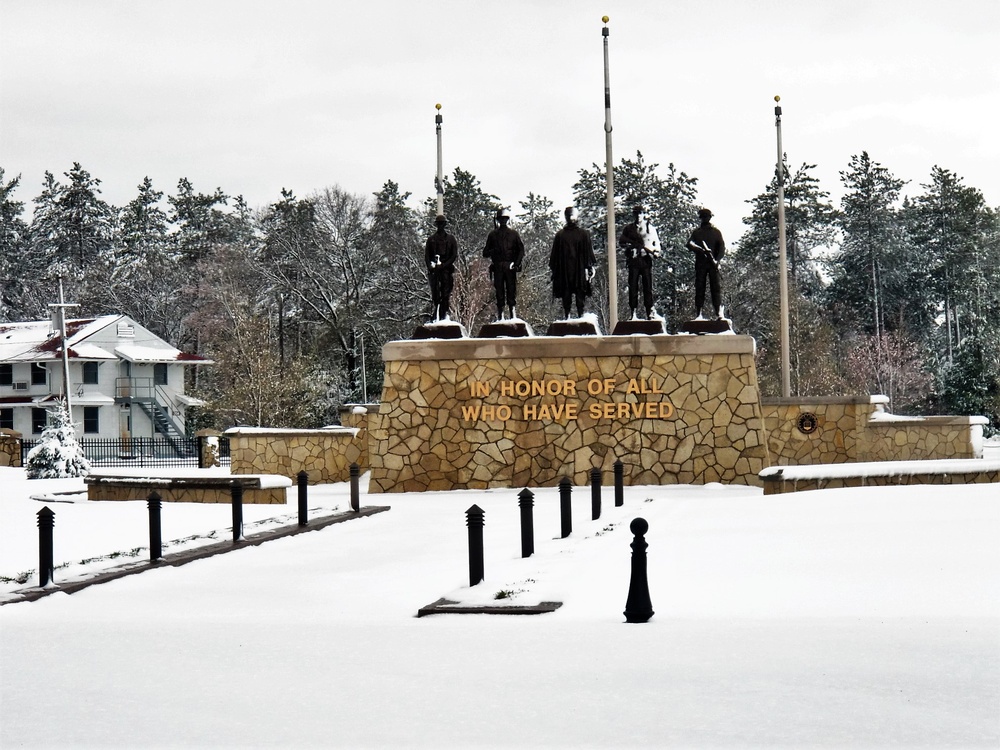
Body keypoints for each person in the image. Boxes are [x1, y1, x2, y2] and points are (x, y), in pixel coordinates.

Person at [549, 206, 596, 318]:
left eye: (572, 215)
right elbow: (555, 256)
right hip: (566, 269)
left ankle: (579, 315)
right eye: (569, 216)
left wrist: (589, 267)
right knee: (567, 293)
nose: (571, 218)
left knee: (579, 294)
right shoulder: (560, 235)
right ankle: (568, 315)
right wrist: (555, 271)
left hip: (578, 269)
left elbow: (588, 252)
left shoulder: (583, 234)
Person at [483, 207, 525, 320]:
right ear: (498, 220)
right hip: (498, 266)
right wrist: (493, 250)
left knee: (511, 290)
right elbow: (485, 252)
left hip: (510, 266)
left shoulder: (513, 234)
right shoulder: (492, 235)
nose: (503, 221)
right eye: (501, 219)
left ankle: (513, 313)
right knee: (499, 291)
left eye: (505, 219)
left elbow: (521, 250)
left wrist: (516, 264)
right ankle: (500, 315)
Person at [618, 205, 660, 319]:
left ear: (644, 214)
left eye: (640, 213)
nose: (638, 216)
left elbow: (656, 244)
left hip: (646, 260)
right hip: (634, 261)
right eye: (636, 213)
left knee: (647, 288)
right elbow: (622, 242)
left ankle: (649, 312)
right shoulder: (628, 229)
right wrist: (630, 247)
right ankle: (633, 313)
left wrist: (656, 252)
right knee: (633, 287)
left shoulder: (650, 229)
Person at [686, 207, 725, 319]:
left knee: (715, 289)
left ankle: (718, 312)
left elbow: (721, 248)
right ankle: (699, 313)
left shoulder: (716, 233)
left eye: (706, 217)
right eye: (703, 217)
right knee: (700, 288)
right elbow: (689, 244)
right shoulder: (697, 233)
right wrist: (700, 250)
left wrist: (716, 260)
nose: (705, 219)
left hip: (712, 264)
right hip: (701, 264)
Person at [425, 214, 458, 321]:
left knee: (445, 293)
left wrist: (444, 265)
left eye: (442, 224)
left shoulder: (451, 239)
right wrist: (431, 267)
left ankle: (444, 314)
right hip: (435, 272)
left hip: (446, 271)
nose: (440, 226)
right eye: (438, 224)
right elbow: (427, 256)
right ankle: (437, 313)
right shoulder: (431, 240)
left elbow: (453, 255)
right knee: (435, 294)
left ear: (445, 225)